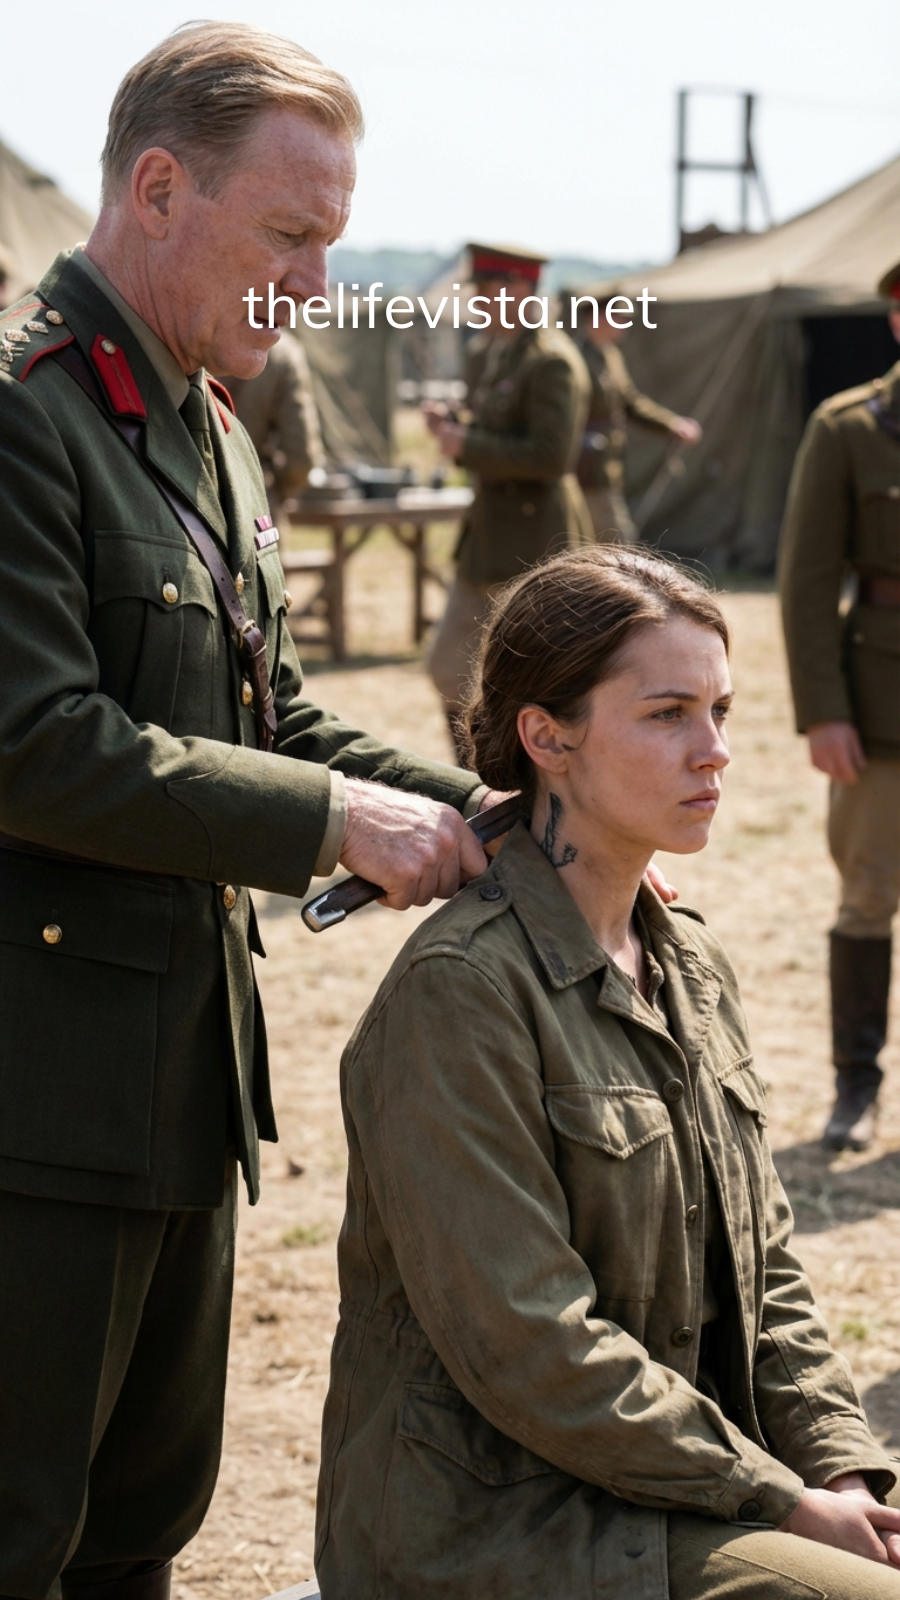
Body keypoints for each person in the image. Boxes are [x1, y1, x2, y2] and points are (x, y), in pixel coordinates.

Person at [0, 24, 508, 1600]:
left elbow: (269, 712)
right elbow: (34, 742)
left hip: (182, 1088)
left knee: (139, 1531)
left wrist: (495, 809)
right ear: (160, 190)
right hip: (34, 1108)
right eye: (291, 233)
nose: (316, 282)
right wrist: (335, 826)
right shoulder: (27, 418)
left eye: (333, 242)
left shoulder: (209, 426)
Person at [317, 546, 899, 1600]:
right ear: (547, 737)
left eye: (720, 710)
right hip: (496, 1517)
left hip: (672, 1483)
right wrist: (778, 1499)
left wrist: (841, 1470)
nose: (715, 751)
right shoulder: (463, 993)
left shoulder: (688, 961)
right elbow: (530, 1343)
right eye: (668, 715)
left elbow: (767, 1270)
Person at [779, 257, 900, 1153]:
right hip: (883, 702)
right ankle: (856, 1085)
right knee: (868, 896)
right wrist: (824, 710)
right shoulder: (848, 428)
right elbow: (808, 581)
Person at [424, 242, 592, 756]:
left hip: (532, 540)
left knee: (532, 679)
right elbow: (496, 429)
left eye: (487, 290)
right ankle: (476, 775)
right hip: (486, 540)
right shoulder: (492, 354)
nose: (478, 302)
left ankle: (515, 777)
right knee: (449, 667)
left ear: (519, 290)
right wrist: (458, 427)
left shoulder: (551, 362)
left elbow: (551, 456)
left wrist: (466, 443)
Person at [571, 293, 702, 542]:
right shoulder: (574, 358)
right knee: (615, 542)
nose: (624, 325)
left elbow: (631, 402)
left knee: (598, 542)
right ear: (598, 318)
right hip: (583, 468)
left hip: (605, 465)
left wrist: (671, 424)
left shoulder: (610, 356)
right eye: (618, 318)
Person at [225, 329, 326, 519]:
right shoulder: (283, 353)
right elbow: (301, 459)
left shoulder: (197, 335)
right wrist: (277, 489)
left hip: (186, 500)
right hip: (255, 502)